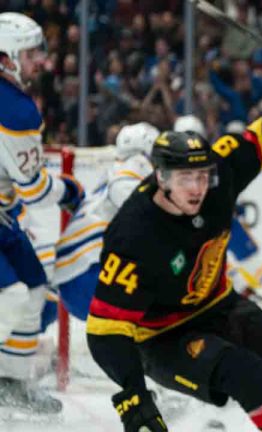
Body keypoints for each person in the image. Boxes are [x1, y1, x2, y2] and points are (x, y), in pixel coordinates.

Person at [87, 54, 262, 432]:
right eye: (185, 178)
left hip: (220, 304)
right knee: (251, 375)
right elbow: (104, 330)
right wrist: (132, 394)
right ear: (160, 177)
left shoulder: (219, 175)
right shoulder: (134, 233)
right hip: (163, 337)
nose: (198, 188)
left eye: (202, 177)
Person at [0, 12, 83, 413]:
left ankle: (9, 385)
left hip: (3, 218)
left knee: (35, 290)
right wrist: (69, 189)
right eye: (31, 53)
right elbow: (34, 189)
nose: (41, 61)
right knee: (13, 296)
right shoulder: (16, 109)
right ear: (5, 58)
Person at [173, 114, 262, 310]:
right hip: (223, 216)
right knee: (246, 258)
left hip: (197, 221)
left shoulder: (174, 164)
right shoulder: (214, 157)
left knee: (215, 259)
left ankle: (247, 291)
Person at [50, 122, 160, 325]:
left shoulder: (112, 171)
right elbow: (124, 190)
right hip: (91, 274)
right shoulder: (137, 164)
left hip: (70, 281)